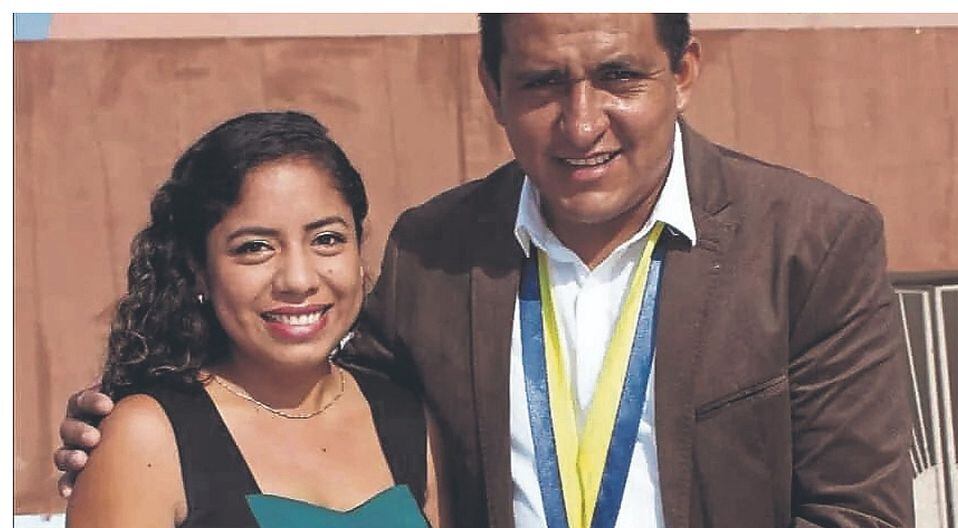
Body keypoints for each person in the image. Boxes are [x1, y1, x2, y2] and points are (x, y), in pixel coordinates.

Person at [56, 14, 913, 527]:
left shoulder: (811, 243)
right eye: (542, 83)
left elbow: (860, 514)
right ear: (492, 88)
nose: (582, 123)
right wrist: (135, 423)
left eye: (618, 76)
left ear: (683, 71)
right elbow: (302, 390)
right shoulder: (437, 252)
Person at [64, 111, 446, 527]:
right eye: (255, 247)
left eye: (327, 239)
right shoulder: (146, 436)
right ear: (198, 269)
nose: (298, 280)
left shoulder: (410, 418)